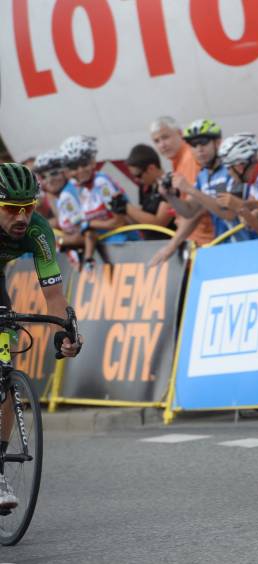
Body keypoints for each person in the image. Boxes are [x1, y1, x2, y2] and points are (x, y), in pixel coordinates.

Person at [0, 163, 82, 508]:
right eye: (11, 209)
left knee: (2, 367)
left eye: (28, 207)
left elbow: (53, 296)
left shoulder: (37, 231)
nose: (21, 216)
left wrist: (65, 330)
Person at [59, 135, 131, 268]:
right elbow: (78, 233)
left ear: (92, 162)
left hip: (124, 244)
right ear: (67, 170)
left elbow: (120, 222)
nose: (80, 170)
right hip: (101, 252)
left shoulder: (101, 182)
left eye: (84, 163)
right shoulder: (72, 192)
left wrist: (88, 224)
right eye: (74, 166)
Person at [149, 116, 212, 246]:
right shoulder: (179, 160)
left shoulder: (189, 158)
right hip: (198, 238)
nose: (162, 145)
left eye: (165, 137)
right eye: (157, 141)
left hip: (205, 239)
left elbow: (196, 209)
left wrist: (172, 245)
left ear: (180, 134)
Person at [121, 144, 176, 239]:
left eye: (138, 175)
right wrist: (122, 211)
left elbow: (160, 223)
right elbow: (142, 220)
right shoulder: (146, 187)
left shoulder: (169, 184)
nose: (136, 180)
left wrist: (126, 207)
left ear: (151, 168)